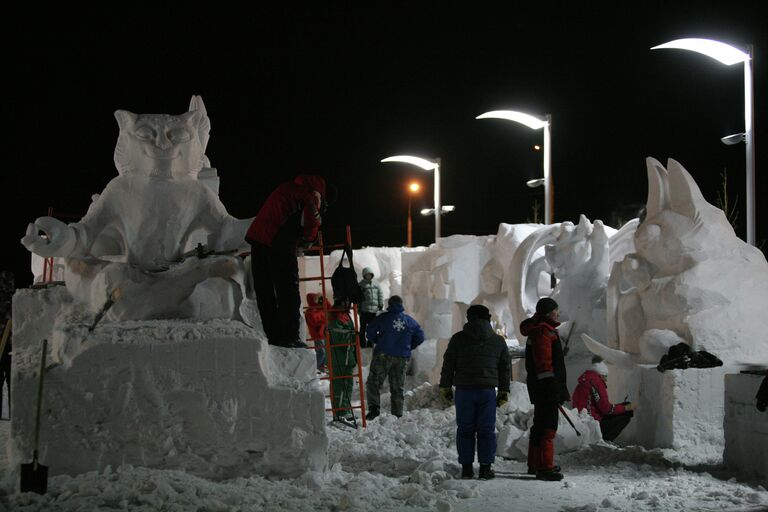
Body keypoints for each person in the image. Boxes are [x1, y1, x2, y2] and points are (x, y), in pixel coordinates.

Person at [245, 175, 333, 348]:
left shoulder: (291, 187)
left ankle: (273, 336)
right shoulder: (312, 194)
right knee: (288, 290)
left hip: (258, 239)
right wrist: (308, 240)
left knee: (265, 292)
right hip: (279, 242)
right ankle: (290, 337)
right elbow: (312, 222)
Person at [439, 304, 511, 481]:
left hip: (464, 391)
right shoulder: (498, 341)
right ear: (487, 319)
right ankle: (485, 469)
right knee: (486, 430)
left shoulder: (458, 339)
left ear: (468, 318)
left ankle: (467, 469)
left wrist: (445, 386)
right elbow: (505, 369)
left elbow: (448, 365)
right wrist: (503, 390)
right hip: (487, 392)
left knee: (465, 430)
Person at [521, 297, 569, 481]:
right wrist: (553, 389)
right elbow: (544, 365)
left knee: (540, 425)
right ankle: (545, 467)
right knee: (548, 426)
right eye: (556, 310)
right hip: (546, 387)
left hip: (541, 387)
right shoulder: (543, 332)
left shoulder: (543, 330)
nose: (558, 313)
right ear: (549, 313)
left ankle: (535, 464)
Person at [365, 295, 424, 421]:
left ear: (389, 304)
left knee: (374, 382)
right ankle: (397, 413)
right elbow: (420, 336)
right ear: (401, 304)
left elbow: (369, 331)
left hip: (383, 355)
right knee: (398, 386)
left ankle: (374, 409)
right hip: (401, 357)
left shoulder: (382, 318)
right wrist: (409, 346)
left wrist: (377, 341)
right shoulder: (409, 320)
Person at [572, 356, 636, 442]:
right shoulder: (596, 382)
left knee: (624, 406)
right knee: (627, 413)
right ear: (601, 374)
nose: (605, 380)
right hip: (593, 425)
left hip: (585, 421)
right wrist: (627, 408)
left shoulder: (586, 380)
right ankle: (605, 440)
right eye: (605, 376)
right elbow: (606, 409)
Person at [328, 297, 357, 422]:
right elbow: (338, 337)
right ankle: (339, 412)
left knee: (348, 384)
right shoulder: (334, 318)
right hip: (338, 357)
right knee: (339, 384)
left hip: (348, 356)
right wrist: (353, 336)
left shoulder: (346, 316)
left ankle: (345, 409)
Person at [358, 267, 383, 347]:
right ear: (364, 275)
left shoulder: (376, 284)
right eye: (367, 275)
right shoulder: (361, 285)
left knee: (372, 328)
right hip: (364, 311)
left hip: (374, 311)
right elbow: (358, 298)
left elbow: (380, 294)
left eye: (370, 275)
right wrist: (359, 309)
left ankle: (370, 342)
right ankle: (362, 342)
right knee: (363, 328)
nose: (368, 276)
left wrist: (380, 304)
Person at [0, 271, 13, 420]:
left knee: (12, 380)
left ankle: (15, 416)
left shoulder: (7, 277)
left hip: (10, 342)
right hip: (6, 341)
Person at [304, 293, 328, 371]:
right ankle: (315, 369)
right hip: (317, 334)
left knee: (325, 352)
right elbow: (314, 322)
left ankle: (321, 368)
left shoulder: (319, 309)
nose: (318, 301)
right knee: (321, 352)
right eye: (316, 299)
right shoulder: (310, 312)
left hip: (323, 333)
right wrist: (325, 321)